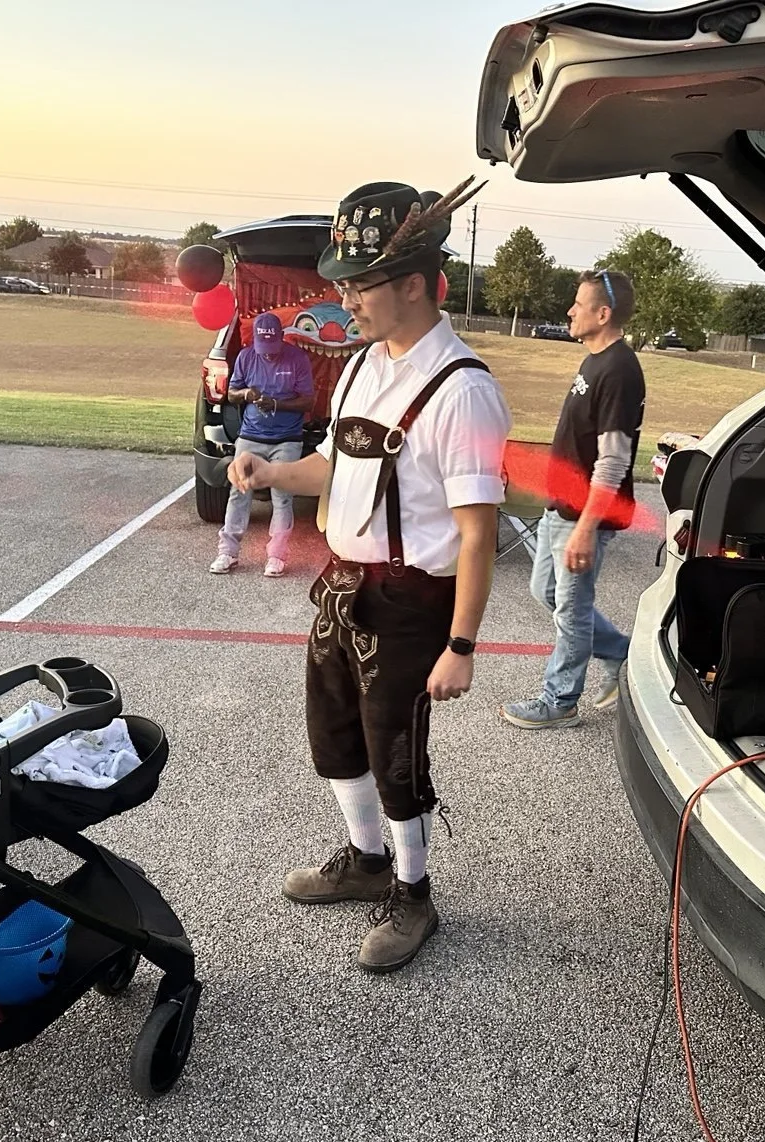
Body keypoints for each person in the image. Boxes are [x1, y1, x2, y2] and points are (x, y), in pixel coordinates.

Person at [228, 177, 509, 973]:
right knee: (335, 734)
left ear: (414, 284)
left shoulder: (464, 390)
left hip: (412, 600)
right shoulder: (359, 367)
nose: (342, 295)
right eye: (343, 279)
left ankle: (414, 893)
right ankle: (365, 860)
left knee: (395, 751)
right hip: (343, 584)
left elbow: (477, 534)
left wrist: (462, 642)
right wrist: (272, 475)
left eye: (358, 282)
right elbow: (330, 467)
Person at [501, 269, 646, 730]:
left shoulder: (620, 370)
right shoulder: (594, 360)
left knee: (571, 608)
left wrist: (585, 527)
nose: (570, 311)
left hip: (583, 517)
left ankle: (560, 700)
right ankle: (621, 652)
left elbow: (614, 460)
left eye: (579, 304)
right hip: (559, 507)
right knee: (544, 591)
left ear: (603, 314)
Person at [210, 311, 315, 577]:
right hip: (251, 435)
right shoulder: (246, 356)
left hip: (287, 438)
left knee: (282, 495)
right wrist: (246, 393)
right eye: (263, 348)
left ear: (281, 338)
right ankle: (228, 552)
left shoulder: (297, 359)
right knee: (239, 490)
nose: (268, 354)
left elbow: (308, 401)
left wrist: (277, 404)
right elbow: (231, 394)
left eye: (272, 347)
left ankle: (276, 556)